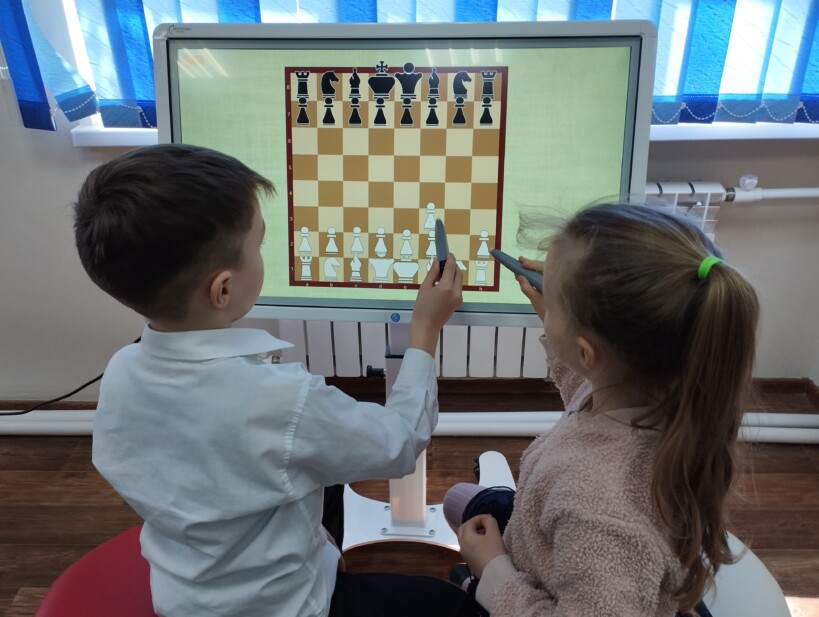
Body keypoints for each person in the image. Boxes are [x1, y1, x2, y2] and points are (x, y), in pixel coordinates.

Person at [73, 143, 479, 617]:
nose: (262, 254)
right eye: (258, 244)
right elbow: (399, 444)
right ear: (223, 288)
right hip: (281, 606)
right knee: (451, 606)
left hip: (183, 593)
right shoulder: (281, 401)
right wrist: (424, 331)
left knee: (324, 481)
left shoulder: (122, 370)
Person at [443, 203, 759, 617]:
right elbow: (585, 388)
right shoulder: (658, 398)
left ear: (586, 352)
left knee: (463, 523)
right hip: (559, 550)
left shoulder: (597, 506)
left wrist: (495, 573)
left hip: (544, 590)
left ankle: (474, 582)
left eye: (554, 301)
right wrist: (559, 314)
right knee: (464, 502)